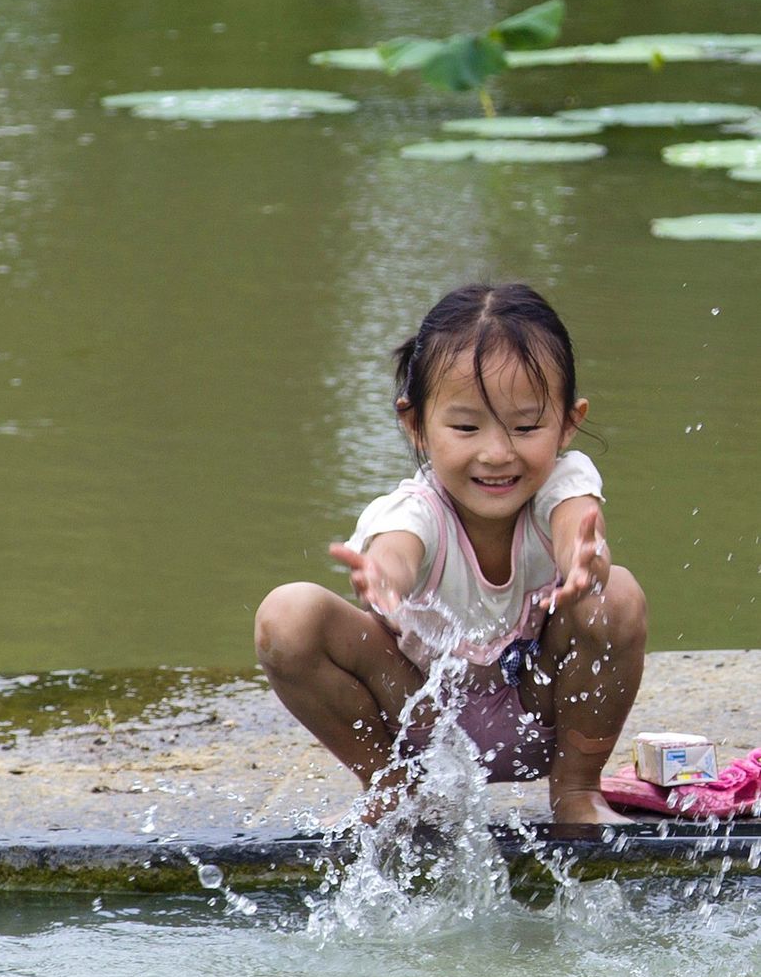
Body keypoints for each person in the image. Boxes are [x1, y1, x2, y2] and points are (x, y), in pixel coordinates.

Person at [255, 283, 647, 825]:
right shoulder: (415, 509)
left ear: (568, 423)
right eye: (466, 427)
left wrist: (584, 556)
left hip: (539, 707)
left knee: (618, 594)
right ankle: (393, 788)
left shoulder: (564, 482)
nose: (497, 453)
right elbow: (399, 550)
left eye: (526, 426)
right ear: (415, 424)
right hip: (419, 711)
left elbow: (570, 522)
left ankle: (577, 791)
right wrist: (382, 575)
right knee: (287, 616)